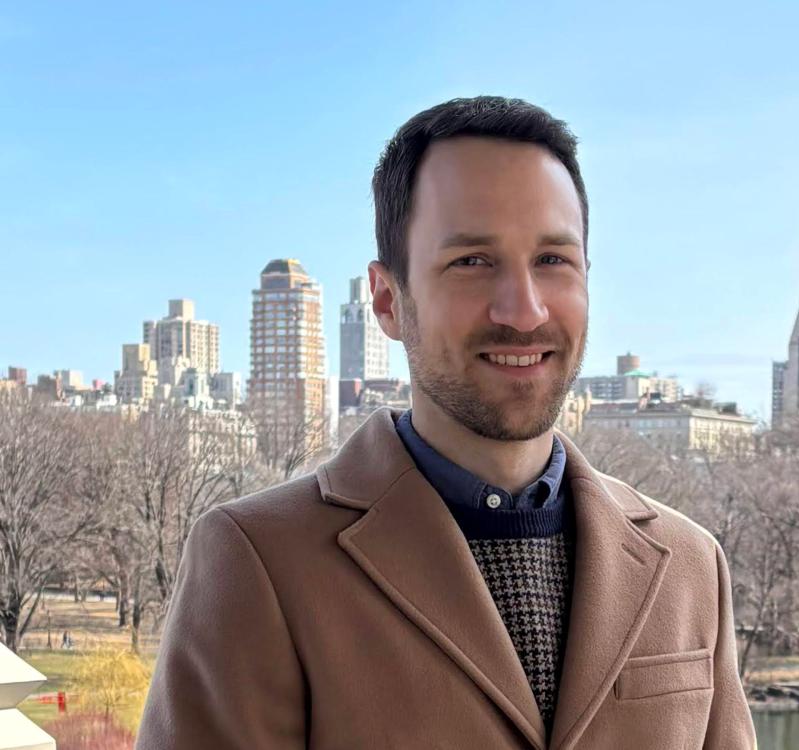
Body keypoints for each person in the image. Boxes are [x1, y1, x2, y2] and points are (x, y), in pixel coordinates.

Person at [136, 96, 756, 749]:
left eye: (553, 259)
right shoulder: (257, 560)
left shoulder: (691, 564)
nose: (524, 310)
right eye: (471, 261)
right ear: (386, 300)